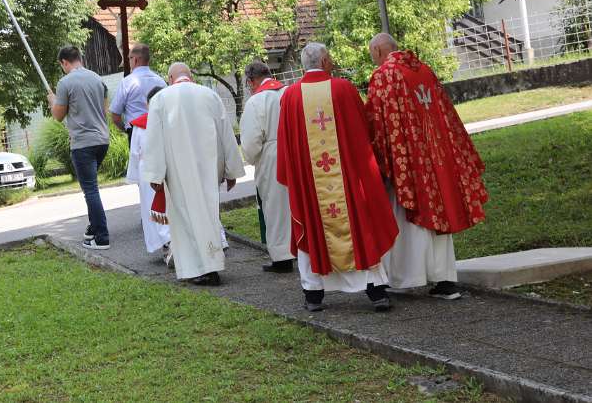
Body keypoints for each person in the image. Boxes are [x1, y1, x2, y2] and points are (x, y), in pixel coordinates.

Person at [277, 43, 399, 312]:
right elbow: (363, 131)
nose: (331, 62)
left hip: (311, 183)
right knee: (360, 221)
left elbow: (285, 146)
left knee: (312, 226)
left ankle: (313, 295)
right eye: (329, 58)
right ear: (324, 61)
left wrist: (291, 177)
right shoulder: (343, 88)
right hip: (347, 179)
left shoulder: (291, 96)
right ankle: (376, 291)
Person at [366, 33, 488, 300]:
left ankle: (409, 278)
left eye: (371, 54)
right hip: (437, 155)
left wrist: (378, 160)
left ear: (377, 50)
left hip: (407, 161)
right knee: (439, 214)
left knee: (407, 216)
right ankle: (445, 281)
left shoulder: (384, 76)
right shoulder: (423, 70)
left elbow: (377, 124)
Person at [142, 63, 246, 286]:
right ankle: (211, 264)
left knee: (184, 217)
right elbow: (226, 133)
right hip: (208, 166)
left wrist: (155, 175)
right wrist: (231, 170)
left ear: (170, 78)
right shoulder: (209, 95)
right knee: (208, 213)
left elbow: (154, 140)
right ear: (189, 76)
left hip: (177, 168)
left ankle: (200, 268)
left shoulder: (160, 99)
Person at [48, 45, 111, 250]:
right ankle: (93, 227)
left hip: (83, 143)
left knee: (90, 190)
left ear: (65, 62)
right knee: (91, 187)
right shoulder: (97, 78)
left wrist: (52, 102)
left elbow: (58, 116)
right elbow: (105, 109)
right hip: (102, 140)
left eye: (62, 66)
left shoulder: (65, 83)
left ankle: (101, 237)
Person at [239, 61, 294, 273]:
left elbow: (252, 142)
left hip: (272, 157)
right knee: (295, 204)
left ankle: (282, 257)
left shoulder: (256, 101)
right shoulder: (289, 91)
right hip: (295, 152)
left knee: (275, 207)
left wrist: (252, 158)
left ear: (251, 81)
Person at [127, 86, 172, 264]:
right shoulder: (172, 119)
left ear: (148, 104)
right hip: (170, 167)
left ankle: (166, 245)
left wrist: (134, 178)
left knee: (154, 209)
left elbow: (135, 153)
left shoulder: (141, 125)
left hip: (148, 173)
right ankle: (175, 243)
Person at [109, 43, 166, 144]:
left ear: (135, 60)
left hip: (135, 131)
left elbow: (115, 116)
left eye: (129, 58)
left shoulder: (127, 82)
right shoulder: (161, 81)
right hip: (158, 132)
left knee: (137, 159)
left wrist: (127, 130)